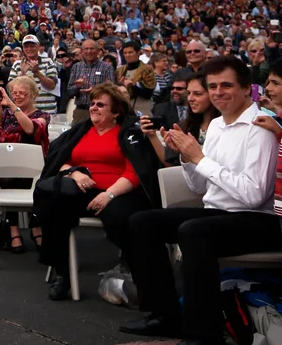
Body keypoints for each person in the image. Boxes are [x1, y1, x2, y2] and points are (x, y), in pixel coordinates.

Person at [120, 56, 280, 344]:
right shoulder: (217, 125)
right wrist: (187, 157)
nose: (218, 92)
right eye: (213, 86)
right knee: (142, 222)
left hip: (261, 220)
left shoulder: (261, 126)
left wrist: (200, 158)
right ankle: (164, 315)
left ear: (247, 89)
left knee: (193, 231)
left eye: (226, 85)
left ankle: (203, 333)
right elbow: (199, 186)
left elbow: (255, 196)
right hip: (217, 212)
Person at [34, 83, 159, 301]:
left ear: (116, 112)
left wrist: (108, 194)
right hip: (81, 188)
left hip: (118, 192)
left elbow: (135, 172)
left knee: (120, 217)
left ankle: (138, 272)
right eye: (92, 103)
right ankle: (63, 273)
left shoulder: (128, 133)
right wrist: (75, 173)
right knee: (55, 208)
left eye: (101, 105)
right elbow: (60, 162)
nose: (94, 108)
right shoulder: (80, 131)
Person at [0, 76, 50, 253]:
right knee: (9, 170)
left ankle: (31, 224)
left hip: (34, 171)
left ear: (34, 95)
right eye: (15, 93)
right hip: (7, 172)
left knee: (29, 176)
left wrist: (13, 106)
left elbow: (30, 129)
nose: (18, 96)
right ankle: (15, 229)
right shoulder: (5, 114)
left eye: (22, 93)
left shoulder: (42, 116)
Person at [66, 39, 115, 123]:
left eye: (92, 48)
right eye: (86, 49)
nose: (89, 51)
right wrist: (77, 87)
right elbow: (69, 91)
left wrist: (95, 91)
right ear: (82, 51)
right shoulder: (76, 67)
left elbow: (112, 92)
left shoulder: (107, 68)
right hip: (81, 111)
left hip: (100, 111)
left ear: (97, 51)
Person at [8, 35, 59, 113]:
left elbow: (52, 85)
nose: (29, 49)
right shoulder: (17, 64)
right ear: (23, 49)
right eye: (26, 47)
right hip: (24, 112)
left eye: (32, 46)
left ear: (38, 46)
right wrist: (22, 73)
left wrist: (37, 73)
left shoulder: (48, 62)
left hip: (47, 111)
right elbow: (10, 90)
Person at [116, 41, 156, 116]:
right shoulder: (120, 70)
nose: (127, 55)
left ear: (138, 52)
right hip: (124, 106)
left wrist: (134, 85)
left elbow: (149, 93)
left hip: (142, 106)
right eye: (125, 53)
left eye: (130, 52)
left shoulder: (147, 69)